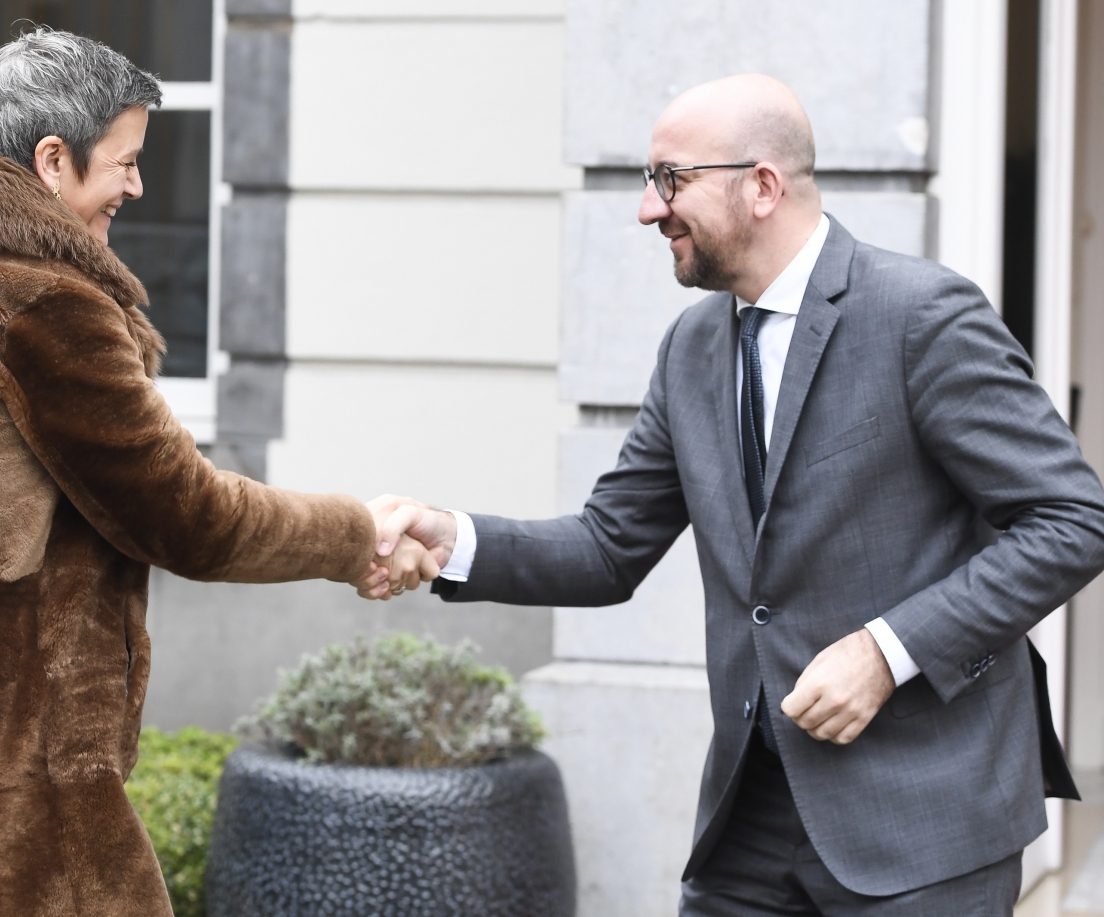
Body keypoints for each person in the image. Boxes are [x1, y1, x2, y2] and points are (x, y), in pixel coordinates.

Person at [362, 74, 1104, 915]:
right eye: (650, 182)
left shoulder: (921, 316)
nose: (650, 208)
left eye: (670, 179)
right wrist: (449, 535)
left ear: (762, 185)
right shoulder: (691, 348)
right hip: (747, 820)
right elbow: (608, 546)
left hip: (922, 823)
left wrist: (886, 649)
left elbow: (1073, 520)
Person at [0, 28, 432, 917]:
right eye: (127, 161)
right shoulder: (38, 300)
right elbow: (186, 513)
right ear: (53, 158)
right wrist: (354, 534)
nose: (138, 186)